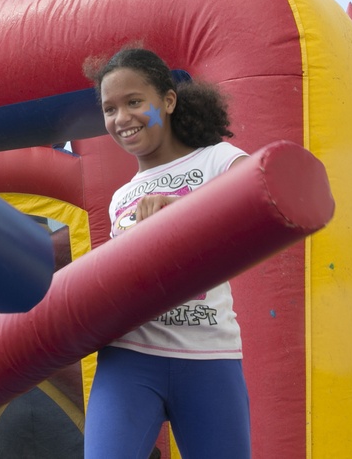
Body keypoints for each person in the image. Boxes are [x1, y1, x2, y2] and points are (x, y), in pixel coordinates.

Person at [82, 47, 251, 459]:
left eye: (135, 102)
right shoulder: (121, 197)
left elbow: (260, 200)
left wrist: (181, 212)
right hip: (130, 358)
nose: (122, 118)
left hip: (209, 354)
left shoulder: (218, 159)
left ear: (168, 101)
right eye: (109, 109)